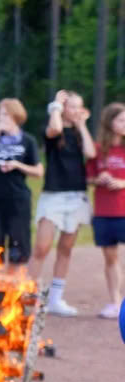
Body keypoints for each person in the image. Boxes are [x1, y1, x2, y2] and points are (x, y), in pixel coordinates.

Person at [29, 90, 96, 316]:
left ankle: (56, 299)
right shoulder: (52, 129)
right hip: (53, 196)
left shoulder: (79, 133)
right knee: (42, 247)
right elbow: (55, 128)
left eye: (79, 107)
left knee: (66, 248)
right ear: (63, 108)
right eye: (72, 106)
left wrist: (82, 125)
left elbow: (90, 152)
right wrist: (55, 106)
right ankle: (31, 296)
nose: (76, 111)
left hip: (76, 195)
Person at [0, 98, 44, 265]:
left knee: (18, 247)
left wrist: (17, 165)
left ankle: (15, 286)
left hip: (18, 200)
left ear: (16, 116)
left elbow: (39, 171)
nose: (2, 118)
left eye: (6, 114)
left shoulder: (28, 141)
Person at [85, 102, 125, 319]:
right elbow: (87, 177)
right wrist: (98, 179)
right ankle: (115, 302)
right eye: (121, 120)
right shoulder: (98, 149)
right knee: (111, 259)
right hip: (104, 212)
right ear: (110, 123)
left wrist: (121, 183)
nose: (124, 124)